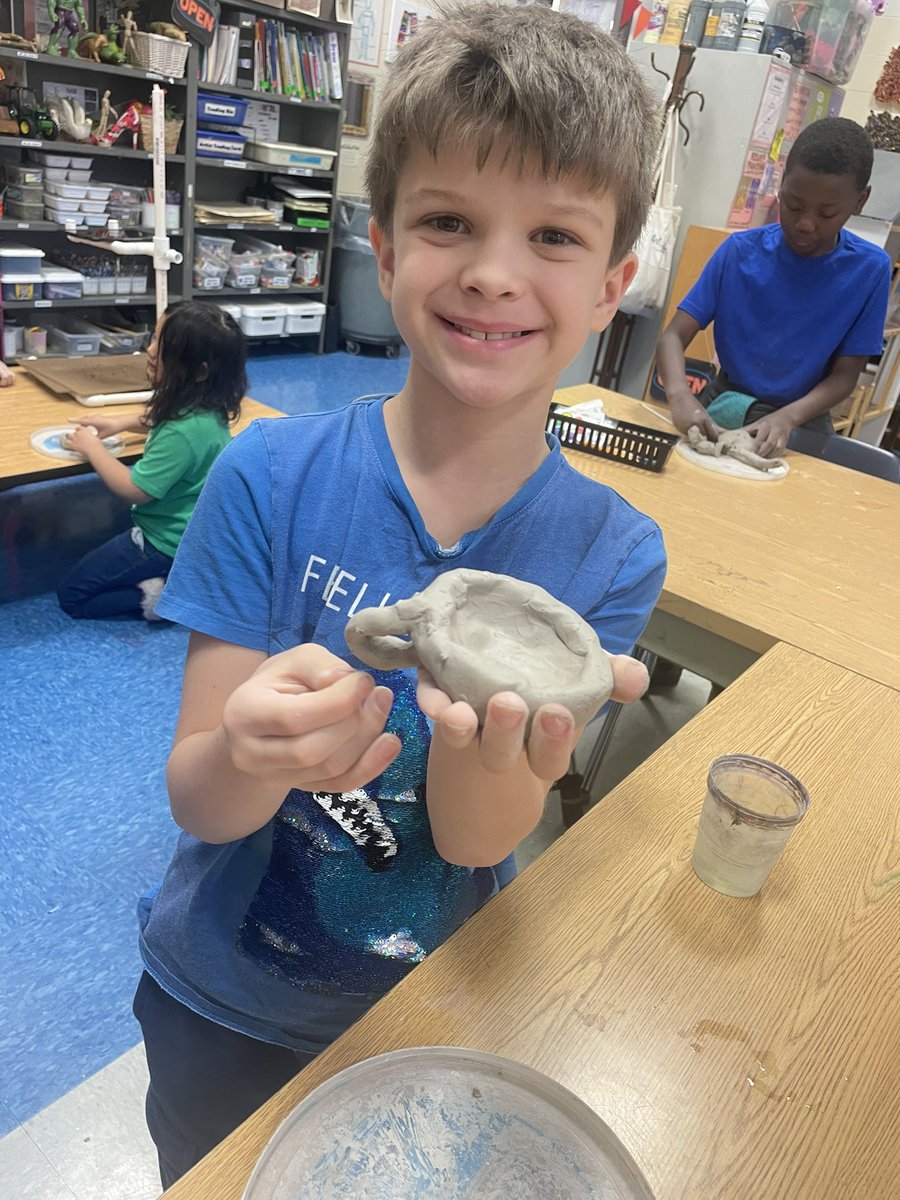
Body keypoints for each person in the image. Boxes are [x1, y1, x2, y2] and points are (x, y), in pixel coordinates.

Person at [133, 4, 668, 1186]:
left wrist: (492, 745)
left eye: (555, 238)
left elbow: (481, 837)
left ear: (614, 283)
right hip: (218, 999)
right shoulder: (267, 475)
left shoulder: (613, 555)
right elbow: (200, 801)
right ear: (383, 243)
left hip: (431, 1014)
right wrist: (251, 744)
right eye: (447, 221)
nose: (491, 272)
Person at [657, 117, 892, 458]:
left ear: (860, 201)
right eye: (793, 206)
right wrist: (679, 395)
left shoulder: (870, 270)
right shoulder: (739, 252)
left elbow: (845, 377)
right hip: (725, 404)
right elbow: (672, 337)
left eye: (826, 214)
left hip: (802, 419)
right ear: (782, 185)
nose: (805, 223)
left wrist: (787, 418)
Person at [57, 302, 244, 621]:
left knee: (72, 597)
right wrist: (120, 422)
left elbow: (135, 490)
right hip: (189, 532)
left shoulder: (181, 434)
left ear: (198, 371)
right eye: (155, 337)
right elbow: (163, 417)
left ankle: (156, 598)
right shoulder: (205, 407)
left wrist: (93, 449)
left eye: (162, 344)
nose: (150, 350)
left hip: (163, 541)